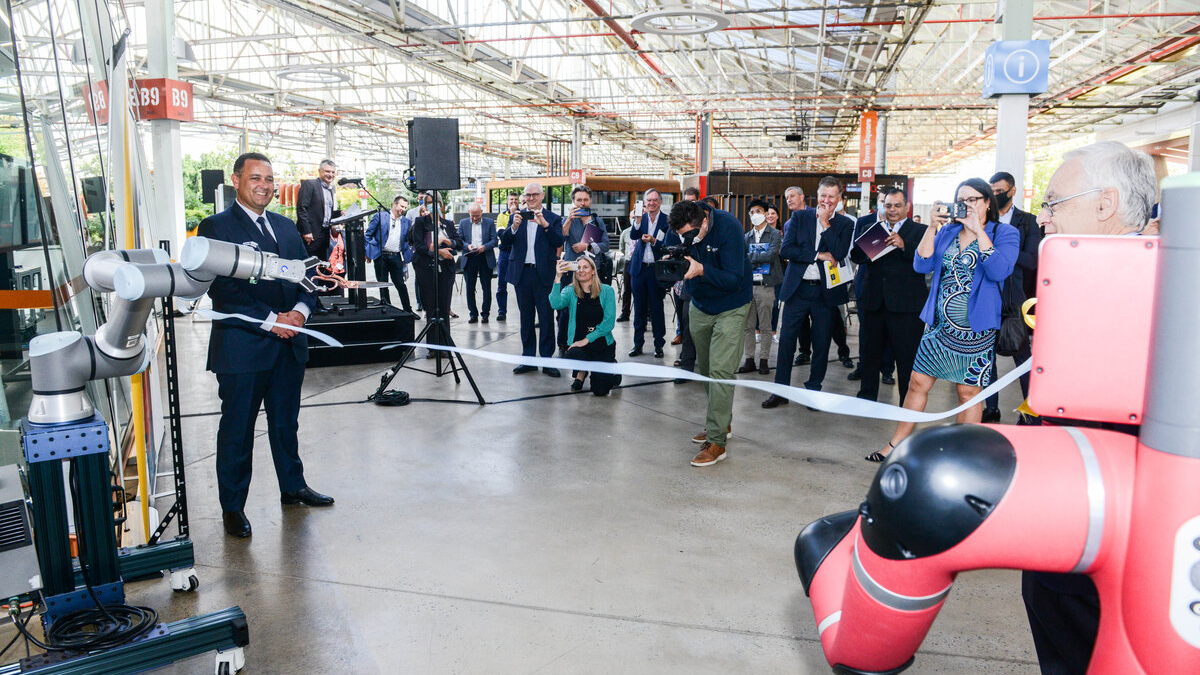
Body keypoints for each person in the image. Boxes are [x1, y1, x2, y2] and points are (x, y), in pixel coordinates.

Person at [1023, 140, 1157, 675]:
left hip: (1100, 513)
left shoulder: (1140, 283)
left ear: (1105, 203)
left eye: (1054, 202)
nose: (1044, 217)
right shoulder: (1096, 278)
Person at [199, 152, 332, 539]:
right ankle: (233, 507)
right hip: (244, 348)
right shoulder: (216, 226)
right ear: (236, 180)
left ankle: (293, 487)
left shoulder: (286, 227)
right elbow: (223, 290)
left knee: (285, 423)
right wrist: (273, 320)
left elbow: (308, 277)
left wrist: (301, 313)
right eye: (256, 177)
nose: (264, 185)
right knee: (238, 429)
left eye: (270, 179)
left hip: (289, 344)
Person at [867, 177, 1020, 462]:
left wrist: (978, 231)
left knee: (968, 392)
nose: (967, 205)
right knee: (916, 383)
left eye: (973, 199)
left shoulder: (1004, 233)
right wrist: (932, 227)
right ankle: (897, 443)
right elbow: (921, 264)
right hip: (939, 325)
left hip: (976, 328)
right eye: (961, 200)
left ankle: (965, 453)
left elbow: (999, 271)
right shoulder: (948, 231)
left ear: (988, 202)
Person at [668, 199, 753, 467]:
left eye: (689, 234)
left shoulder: (729, 227)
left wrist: (702, 269)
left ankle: (717, 441)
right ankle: (722, 422)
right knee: (705, 369)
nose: (686, 239)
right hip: (700, 305)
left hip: (732, 305)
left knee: (721, 371)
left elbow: (733, 278)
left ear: (704, 221)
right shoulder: (687, 230)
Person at [763, 177, 853, 409]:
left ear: (839, 198)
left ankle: (814, 391)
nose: (826, 201)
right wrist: (817, 255)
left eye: (831, 197)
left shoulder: (844, 224)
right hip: (798, 290)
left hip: (825, 293)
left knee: (821, 343)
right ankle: (780, 391)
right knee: (786, 342)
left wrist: (825, 224)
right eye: (823, 195)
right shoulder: (800, 217)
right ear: (817, 195)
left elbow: (840, 251)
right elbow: (787, 250)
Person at [850, 186, 927, 404]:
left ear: (907, 207)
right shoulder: (872, 227)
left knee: (906, 357)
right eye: (888, 205)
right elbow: (856, 256)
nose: (892, 210)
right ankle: (867, 396)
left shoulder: (920, 231)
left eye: (897, 205)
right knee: (870, 353)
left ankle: (907, 401)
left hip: (906, 307)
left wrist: (904, 246)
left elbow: (927, 260)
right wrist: (874, 239)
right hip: (874, 302)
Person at [982, 170, 1042, 423]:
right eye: (992, 191)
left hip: (1015, 301)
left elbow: (1033, 261)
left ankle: (1031, 411)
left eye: (1000, 191)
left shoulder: (1028, 222)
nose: (996, 195)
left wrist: (1001, 250)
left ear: (1012, 190)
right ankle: (990, 407)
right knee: (986, 358)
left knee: (1022, 357)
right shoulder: (984, 221)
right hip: (987, 296)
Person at [500, 182, 564, 377]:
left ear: (542, 195)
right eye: (527, 195)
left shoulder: (552, 218)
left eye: (535, 195)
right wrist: (513, 227)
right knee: (525, 318)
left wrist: (545, 225)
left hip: (543, 274)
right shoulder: (515, 217)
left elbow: (558, 242)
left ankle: (546, 360)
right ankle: (528, 359)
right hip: (522, 274)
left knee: (546, 318)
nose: (531, 198)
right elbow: (504, 244)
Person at [549, 254, 621, 396]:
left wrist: (586, 340)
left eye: (585, 267)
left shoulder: (607, 291)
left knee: (600, 391)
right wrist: (558, 277)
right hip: (580, 345)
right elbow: (555, 303)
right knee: (572, 354)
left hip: (601, 344)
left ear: (593, 270)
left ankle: (612, 368)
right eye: (578, 267)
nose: (581, 270)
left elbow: (608, 323)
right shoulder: (570, 291)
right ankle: (583, 371)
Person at [558, 185, 610, 352]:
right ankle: (563, 343)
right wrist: (569, 220)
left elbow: (606, 245)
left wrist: (586, 245)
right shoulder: (567, 220)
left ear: (590, 201)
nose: (582, 203)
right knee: (566, 311)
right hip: (572, 271)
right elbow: (560, 238)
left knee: (591, 310)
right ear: (573, 201)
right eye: (578, 200)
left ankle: (589, 340)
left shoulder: (597, 221)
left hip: (592, 273)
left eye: (585, 199)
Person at [628, 188, 676, 358]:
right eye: (648, 200)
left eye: (655, 200)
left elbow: (668, 244)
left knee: (657, 308)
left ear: (660, 202)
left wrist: (654, 241)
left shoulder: (667, 221)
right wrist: (637, 221)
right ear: (644, 202)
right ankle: (637, 344)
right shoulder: (641, 218)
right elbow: (634, 235)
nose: (651, 203)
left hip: (656, 271)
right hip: (639, 270)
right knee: (639, 308)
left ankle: (659, 345)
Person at [737, 199, 782, 376]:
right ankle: (749, 359)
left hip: (766, 285)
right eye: (752, 212)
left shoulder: (774, 234)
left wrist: (750, 256)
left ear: (765, 213)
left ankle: (764, 359)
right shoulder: (746, 236)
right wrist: (756, 256)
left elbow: (770, 256)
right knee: (748, 326)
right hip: (748, 286)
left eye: (758, 211)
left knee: (765, 325)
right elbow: (741, 257)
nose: (755, 215)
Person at [408, 197, 461, 330]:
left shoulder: (447, 223)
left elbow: (459, 244)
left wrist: (449, 242)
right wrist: (438, 252)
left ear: (441, 204)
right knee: (431, 305)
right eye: (430, 203)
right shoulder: (420, 222)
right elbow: (419, 246)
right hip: (426, 267)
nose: (433, 205)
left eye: (435, 202)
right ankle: (432, 345)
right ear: (425, 205)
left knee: (444, 305)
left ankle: (445, 343)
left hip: (446, 269)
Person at [364, 195, 413, 312]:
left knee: (400, 284)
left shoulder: (406, 222)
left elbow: (409, 240)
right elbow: (368, 235)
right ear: (395, 204)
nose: (403, 209)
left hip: (396, 256)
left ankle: (408, 310)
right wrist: (369, 251)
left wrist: (409, 254)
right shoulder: (380, 217)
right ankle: (387, 309)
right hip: (381, 256)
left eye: (405, 207)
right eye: (401, 206)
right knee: (383, 284)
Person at [459, 203, 498, 324]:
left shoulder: (489, 222)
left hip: (485, 257)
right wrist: (467, 246)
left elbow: (494, 240)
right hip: (469, 258)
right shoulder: (463, 223)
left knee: (486, 288)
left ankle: (485, 314)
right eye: (472, 216)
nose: (475, 218)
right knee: (470, 288)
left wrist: (484, 247)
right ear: (469, 213)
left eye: (477, 215)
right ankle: (473, 314)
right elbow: (459, 240)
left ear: (482, 212)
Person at [296, 159, 339, 259]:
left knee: (321, 266)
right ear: (319, 171)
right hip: (311, 236)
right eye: (327, 171)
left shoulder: (330, 189)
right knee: (309, 265)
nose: (330, 174)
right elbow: (302, 208)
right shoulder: (310, 184)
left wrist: (340, 213)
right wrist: (306, 231)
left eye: (333, 172)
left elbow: (325, 212)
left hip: (324, 235)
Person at [494, 192, 520, 322]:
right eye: (511, 199)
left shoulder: (523, 215)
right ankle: (501, 311)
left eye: (516, 199)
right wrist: (512, 222)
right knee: (501, 284)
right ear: (507, 201)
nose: (513, 202)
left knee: (520, 284)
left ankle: (524, 311)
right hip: (505, 252)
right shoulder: (501, 215)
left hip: (517, 252)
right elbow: (502, 235)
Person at [616, 217, 632, 322]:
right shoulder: (625, 233)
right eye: (633, 217)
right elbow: (622, 248)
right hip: (629, 262)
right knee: (627, 289)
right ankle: (625, 313)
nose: (635, 219)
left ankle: (648, 314)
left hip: (642, 263)